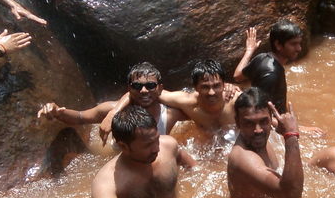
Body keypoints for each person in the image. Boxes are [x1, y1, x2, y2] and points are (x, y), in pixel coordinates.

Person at [100, 59, 241, 142]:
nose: (211, 92)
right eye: (205, 87)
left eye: (217, 86)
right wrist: (113, 113)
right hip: (207, 150)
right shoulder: (186, 102)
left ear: (224, 84)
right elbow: (141, 92)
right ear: (196, 88)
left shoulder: (236, 100)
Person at [38, 62, 186, 138]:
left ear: (160, 88)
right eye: (137, 86)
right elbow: (80, 117)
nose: (144, 91)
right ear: (129, 88)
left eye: (150, 85)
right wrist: (57, 112)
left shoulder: (171, 114)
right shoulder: (111, 109)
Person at [227, 87, 303, 198]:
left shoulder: (258, 139)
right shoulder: (243, 158)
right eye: (249, 123)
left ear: (271, 119)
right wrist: (291, 136)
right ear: (237, 122)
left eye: (263, 121)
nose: (258, 130)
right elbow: (292, 195)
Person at [233, 19, 302, 114]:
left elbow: (237, 76)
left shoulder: (262, 57)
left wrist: (249, 50)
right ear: (278, 45)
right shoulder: (271, 75)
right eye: (293, 44)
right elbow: (260, 112)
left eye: (299, 43)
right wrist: (299, 127)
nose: (299, 48)